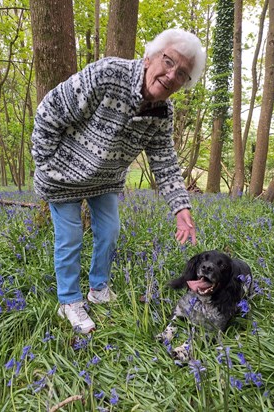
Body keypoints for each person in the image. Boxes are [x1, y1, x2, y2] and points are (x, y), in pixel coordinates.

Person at [31, 28, 206, 334]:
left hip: (105, 181)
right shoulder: (109, 74)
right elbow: (50, 110)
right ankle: (69, 301)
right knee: (69, 238)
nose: (171, 75)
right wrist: (46, 162)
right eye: (168, 61)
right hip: (63, 178)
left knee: (110, 231)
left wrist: (181, 208)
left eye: (182, 74)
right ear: (150, 56)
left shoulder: (164, 113)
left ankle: (98, 289)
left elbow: (164, 161)